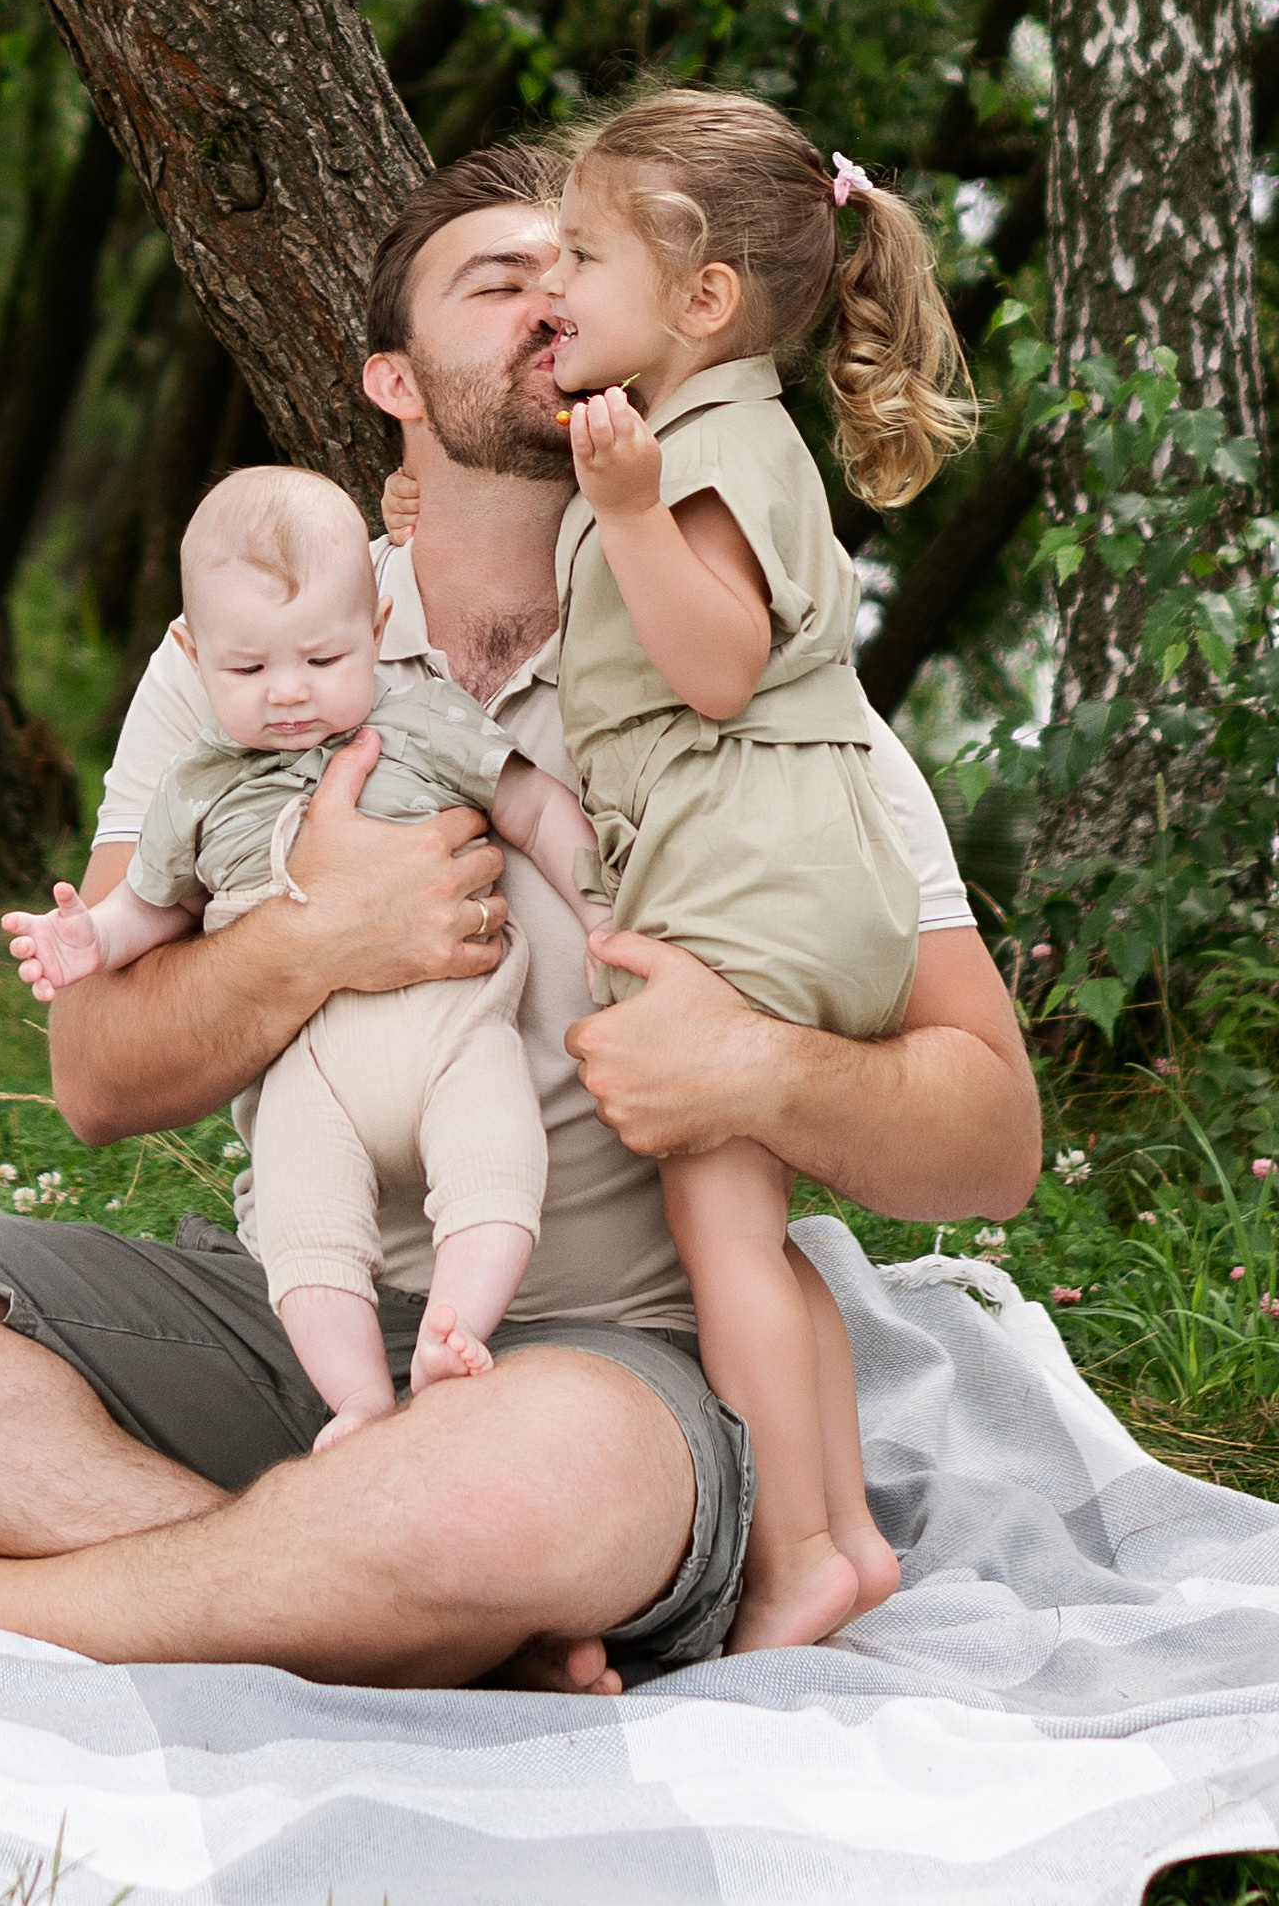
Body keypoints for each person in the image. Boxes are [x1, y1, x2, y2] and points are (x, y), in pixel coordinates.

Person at [0, 143, 1041, 1690]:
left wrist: (763, 1070)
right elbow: (97, 1077)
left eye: (580, 267)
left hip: (598, 1372)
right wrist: (315, 935)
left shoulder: (759, 686)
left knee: (507, 1489)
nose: (551, 299)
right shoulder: (247, 656)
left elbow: (993, 1141)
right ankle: (385, 1602)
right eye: (503, 277)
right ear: (395, 379)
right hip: (290, 1314)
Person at [498, 94, 969, 1650]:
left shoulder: (703, 449)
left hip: (745, 869)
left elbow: (716, 661)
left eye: (583, 253)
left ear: (702, 298)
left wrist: (629, 511)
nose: (552, 278)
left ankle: (793, 1560)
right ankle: (847, 1537)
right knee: (754, 1231)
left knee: (716, 1237)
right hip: (788, 858)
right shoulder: (717, 429)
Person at [3, 461, 602, 1440]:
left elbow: (536, 808)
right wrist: (89, 938)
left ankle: (455, 1329)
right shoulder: (197, 784)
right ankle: (357, 1395)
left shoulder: (421, 720)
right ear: (194, 654)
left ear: (375, 628)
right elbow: (154, 905)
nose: (288, 693)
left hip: (455, 1033)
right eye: (247, 671)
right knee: (304, 1229)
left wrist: (600, 914)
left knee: (496, 1162)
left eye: (322, 659)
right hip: (308, 1077)